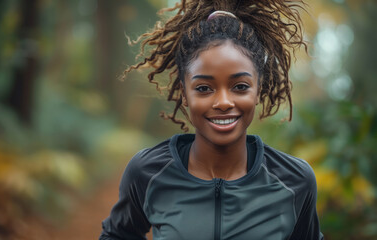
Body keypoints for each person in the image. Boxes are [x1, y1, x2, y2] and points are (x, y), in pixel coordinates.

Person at [100, 0, 323, 239]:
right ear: (184, 93)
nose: (224, 102)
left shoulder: (294, 180)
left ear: (258, 90)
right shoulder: (148, 172)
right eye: (204, 88)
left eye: (240, 86)